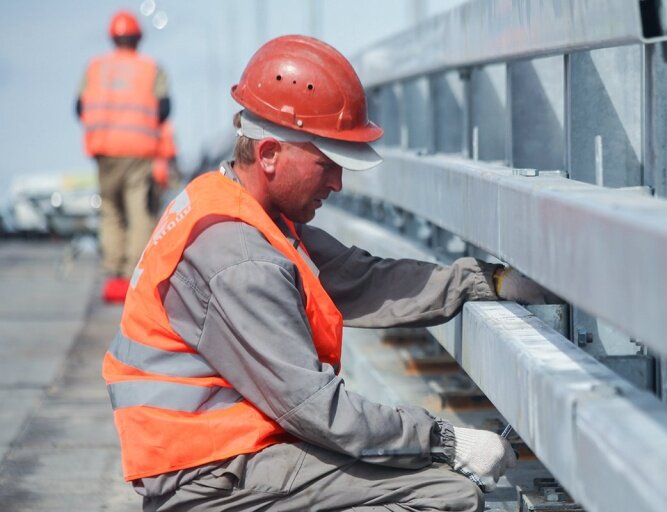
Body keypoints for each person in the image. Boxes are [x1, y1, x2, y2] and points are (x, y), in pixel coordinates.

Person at [103, 35, 555, 512]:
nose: (338, 183)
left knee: (429, 477)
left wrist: (486, 282)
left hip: (229, 452)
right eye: (327, 164)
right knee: (446, 496)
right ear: (270, 153)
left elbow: (359, 279)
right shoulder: (240, 257)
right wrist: (446, 441)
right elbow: (318, 410)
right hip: (209, 477)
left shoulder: (241, 206)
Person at [77, 10, 171, 302]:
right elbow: (165, 108)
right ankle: (134, 275)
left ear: (112, 38)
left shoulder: (95, 68)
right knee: (138, 212)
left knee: (111, 212)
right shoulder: (151, 68)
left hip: (105, 151)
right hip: (139, 151)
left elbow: (79, 107)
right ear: (138, 38)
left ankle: (114, 274)